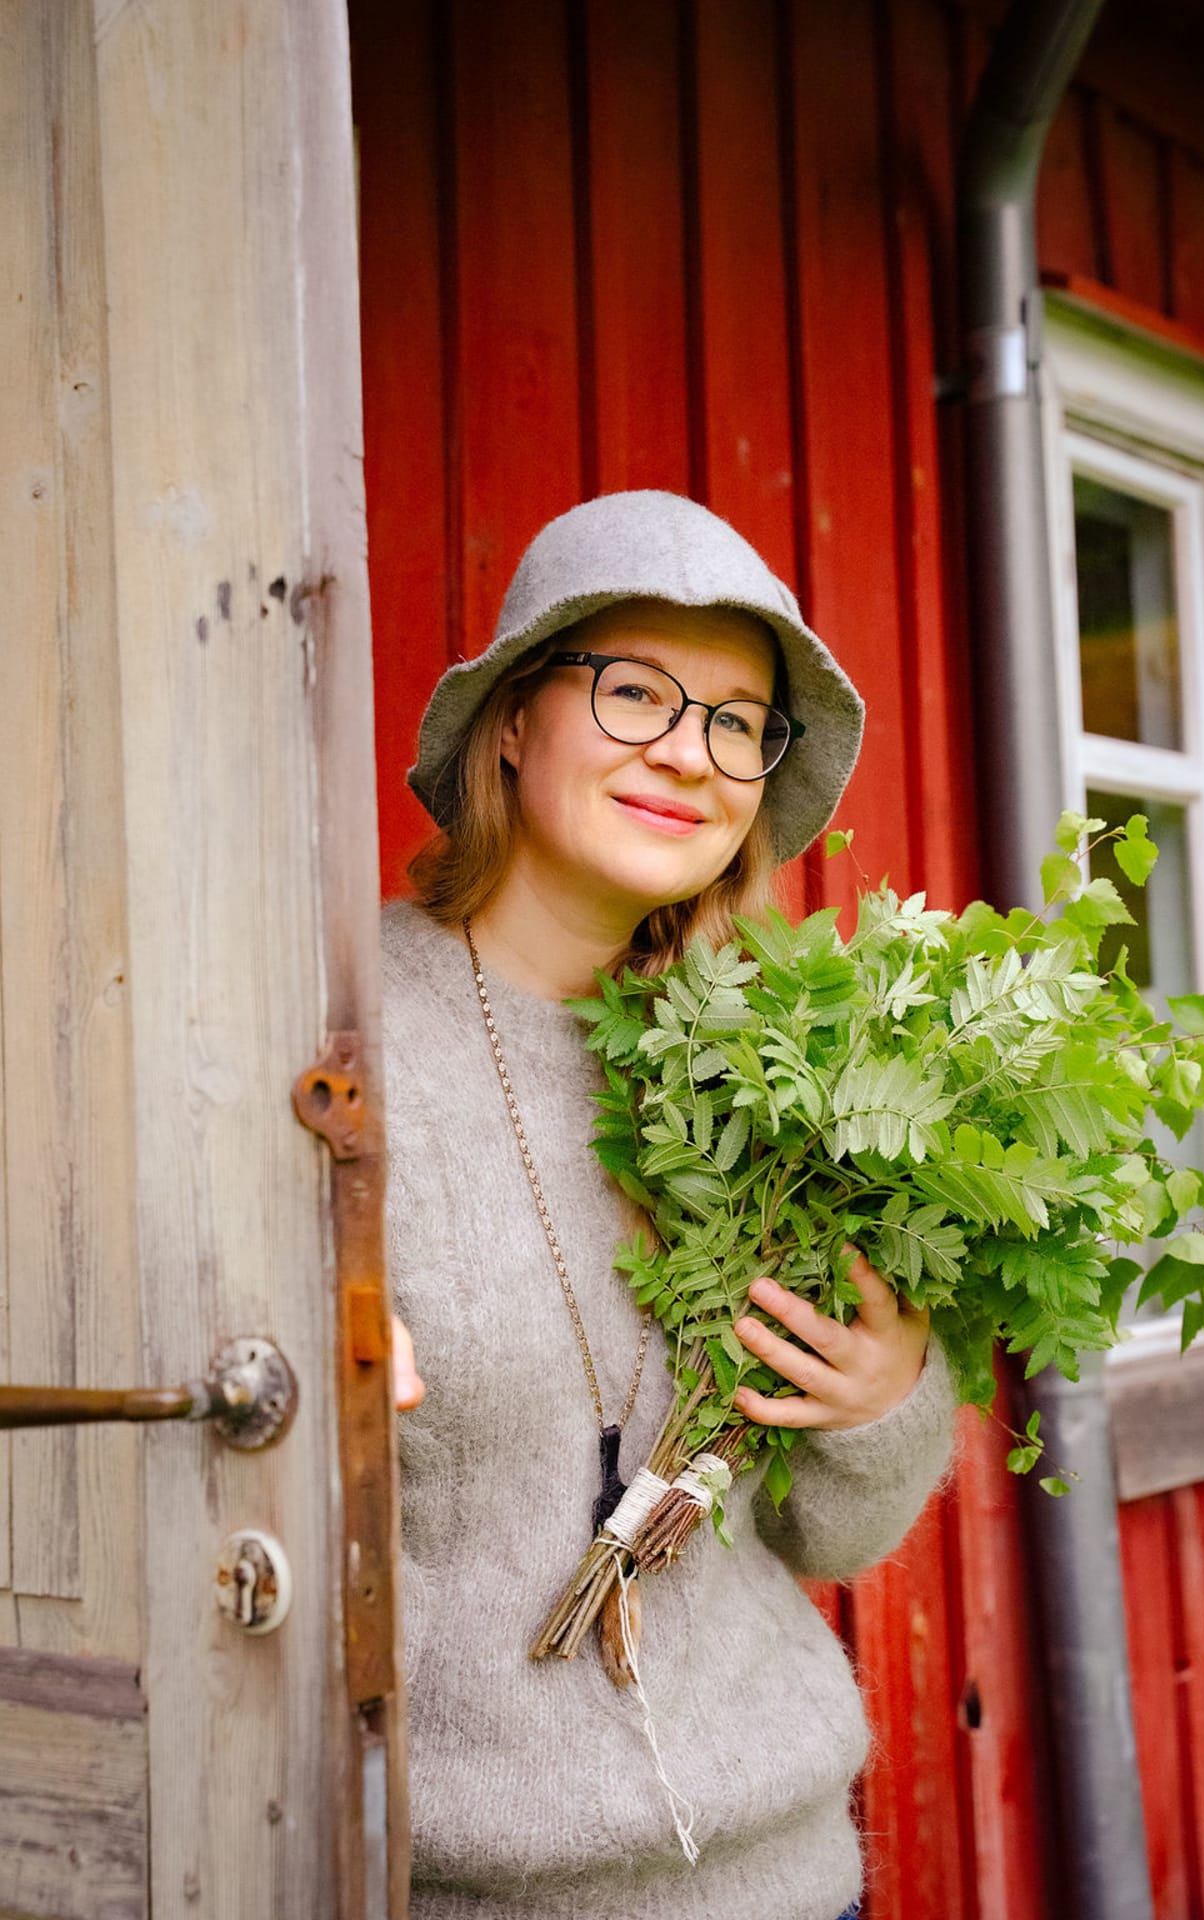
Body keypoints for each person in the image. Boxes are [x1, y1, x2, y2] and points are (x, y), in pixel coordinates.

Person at [381, 491, 956, 1920]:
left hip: (787, 1878)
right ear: (512, 719)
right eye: (633, 691)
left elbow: (829, 1535)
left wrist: (885, 1393)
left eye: (735, 722)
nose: (688, 757)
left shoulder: (792, 1074)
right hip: (457, 1887)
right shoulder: (337, 1039)